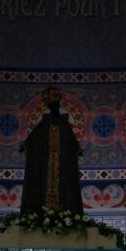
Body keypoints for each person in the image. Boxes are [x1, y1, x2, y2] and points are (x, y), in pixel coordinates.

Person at [19, 87, 84, 216]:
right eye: (51, 104)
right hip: (45, 168)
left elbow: (72, 144)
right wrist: (27, 146)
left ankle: (66, 213)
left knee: (66, 187)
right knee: (40, 185)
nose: (54, 107)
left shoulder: (64, 125)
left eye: (55, 104)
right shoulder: (44, 123)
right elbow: (33, 140)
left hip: (62, 168)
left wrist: (75, 151)